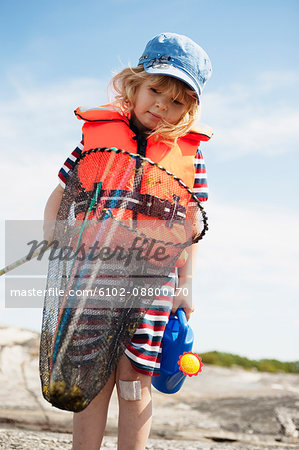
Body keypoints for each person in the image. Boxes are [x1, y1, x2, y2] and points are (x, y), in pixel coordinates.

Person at [43, 32, 212, 450]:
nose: (161, 105)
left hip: (153, 284)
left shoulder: (191, 157)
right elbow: (61, 196)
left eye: (176, 101)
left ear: (188, 109)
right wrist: (55, 235)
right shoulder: (95, 138)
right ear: (133, 84)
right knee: (91, 377)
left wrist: (186, 285)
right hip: (92, 280)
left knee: (136, 379)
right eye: (156, 90)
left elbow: (191, 227)